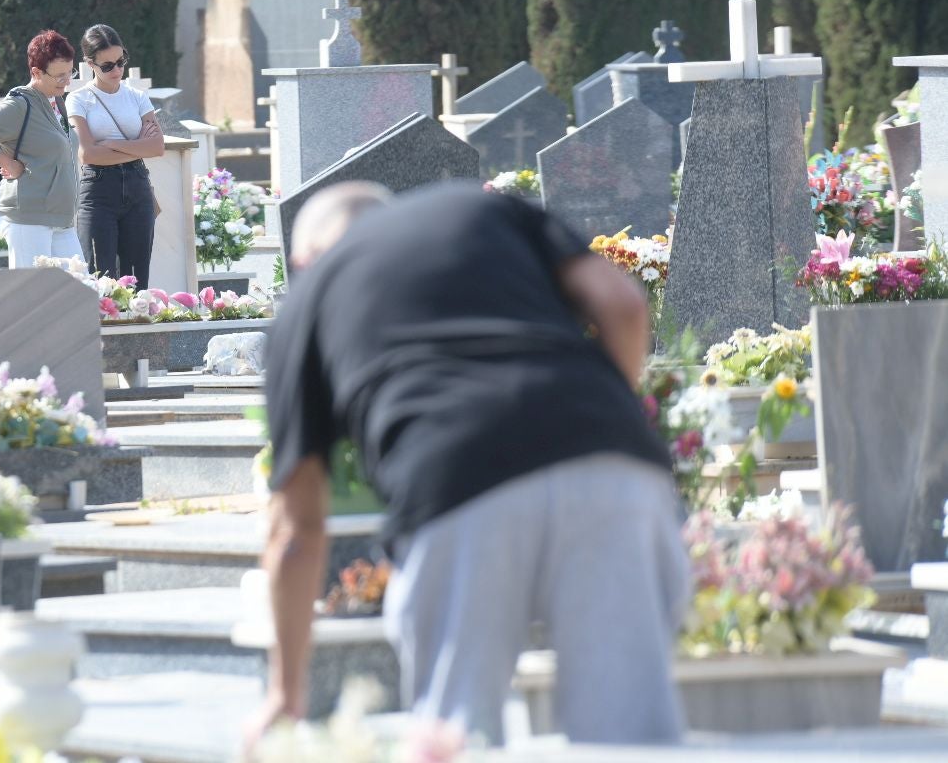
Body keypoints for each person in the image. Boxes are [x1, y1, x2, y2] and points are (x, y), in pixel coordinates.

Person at [253, 180, 687, 748]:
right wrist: (597, 423)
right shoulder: (482, 207)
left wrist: (286, 694)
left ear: (303, 260)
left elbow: (295, 532)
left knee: (454, 739)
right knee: (632, 740)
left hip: (455, 480)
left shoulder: (308, 302)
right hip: (609, 458)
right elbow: (624, 306)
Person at [0, 30, 79, 267]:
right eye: (59, 76)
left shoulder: (56, 101)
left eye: (69, 73)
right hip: (29, 220)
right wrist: (8, 163)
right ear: (36, 72)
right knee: (32, 298)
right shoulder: (19, 104)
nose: (67, 82)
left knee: (79, 292)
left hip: (62, 218)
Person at [65, 24, 164, 287]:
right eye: (107, 66)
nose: (117, 71)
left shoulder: (137, 97)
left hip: (138, 186)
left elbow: (156, 147)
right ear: (90, 64)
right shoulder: (78, 99)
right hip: (98, 191)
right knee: (101, 280)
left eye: (121, 62)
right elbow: (88, 154)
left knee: (136, 281)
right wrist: (135, 144)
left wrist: (110, 144)